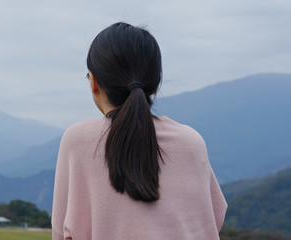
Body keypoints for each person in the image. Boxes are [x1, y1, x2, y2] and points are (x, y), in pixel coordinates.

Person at [52, 22, 227, 240]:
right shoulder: (191, 142)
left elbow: (62, 232)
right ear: (154, 85)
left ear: (94, 82)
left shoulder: (78, 140)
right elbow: (212, 220)